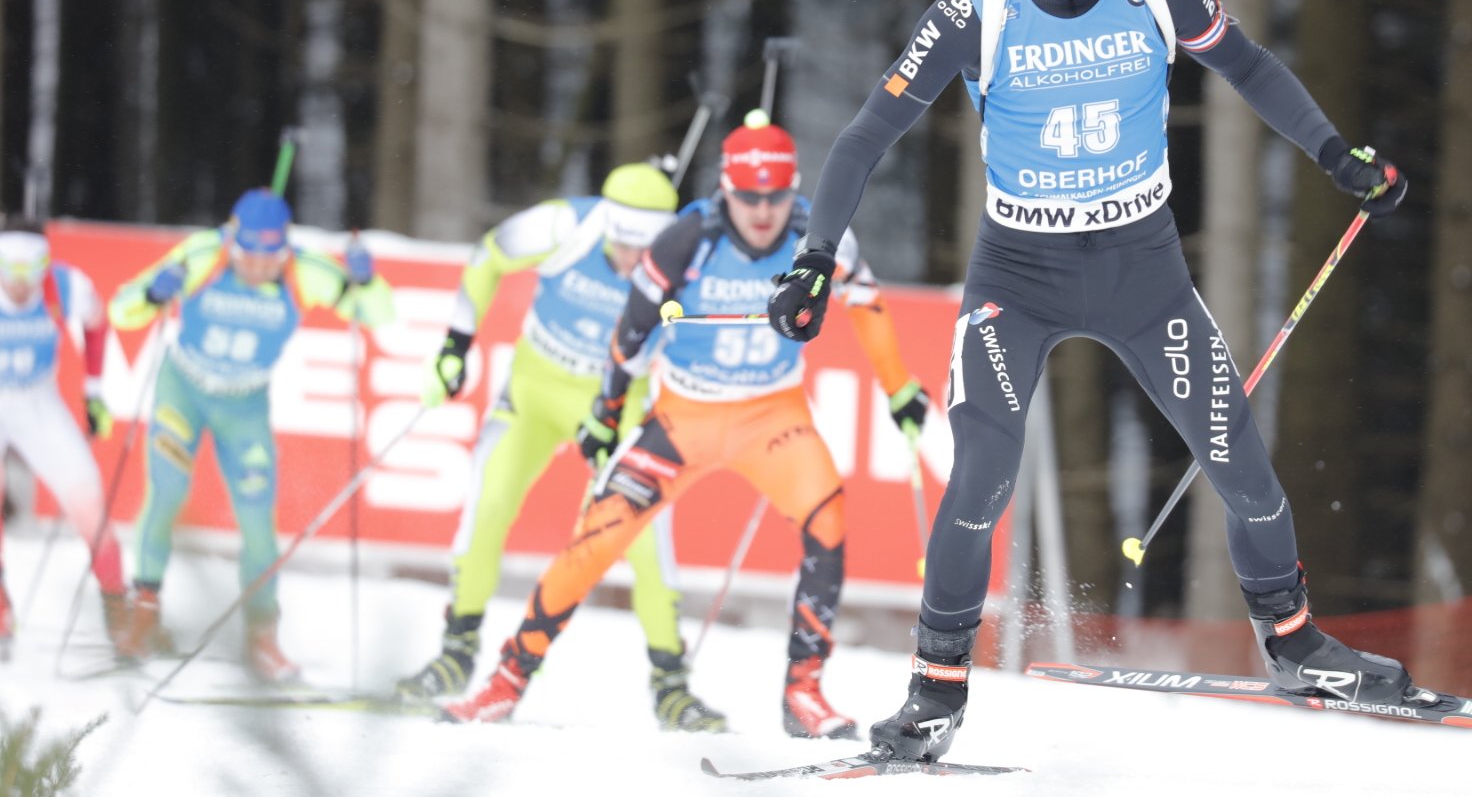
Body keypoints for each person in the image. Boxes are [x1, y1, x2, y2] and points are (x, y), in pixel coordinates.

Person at [766, 0, 1431, 763]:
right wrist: (813, 256)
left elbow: (1246, 63)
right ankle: (934, 692)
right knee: (981, 474)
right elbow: (867, 134)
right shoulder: (976, 7)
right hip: (1019, 276)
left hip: (1141, 271)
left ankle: (1295, 646)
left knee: (1240, 460)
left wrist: (1335, 153)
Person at [445, 116, 932, 735]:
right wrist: (608, 411)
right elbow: (631, 329)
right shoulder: (687, 239)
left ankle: (804, 693)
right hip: (684, 419)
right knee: (600, 533)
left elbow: (868, 304)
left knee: (828, 519)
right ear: (726, 188)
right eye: (749, 196)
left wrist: (899, 388)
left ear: (794, 189)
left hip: (772, 418)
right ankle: (505, 682)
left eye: (775, 196)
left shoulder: (818, 236)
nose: (763, 211)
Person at [395, 163, 727, 732]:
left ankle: (670, 686)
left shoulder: (684, 255)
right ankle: (456, 653)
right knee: (488, 504)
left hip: (617, 405)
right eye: (623, 244)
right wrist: (455, 346)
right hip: (534, 393)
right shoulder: (565, 226)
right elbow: (487, 256)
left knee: (645, 537)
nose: (633, 260)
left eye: (644, 248)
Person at [108, 189, 395, 681]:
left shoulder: (307, 270)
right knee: (168, 491)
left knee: (258, 518)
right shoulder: (204, 254)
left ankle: (262, 636)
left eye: (271, 258)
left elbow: (380, 315)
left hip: (244, 406)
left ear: (285, 247)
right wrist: (155, 291)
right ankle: (144, 612)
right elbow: (122, 310)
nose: (259, 268)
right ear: (232, 240)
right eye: (248, 255)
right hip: (184, 391)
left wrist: (366, 281)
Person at [0, 218, 135, 659]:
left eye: (31, 273)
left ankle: (118, 609)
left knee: (88, 497)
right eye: (10, 272)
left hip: (38, 402)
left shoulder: (65, 285)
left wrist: (94, 390)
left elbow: (97, 324)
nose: (21, 286)